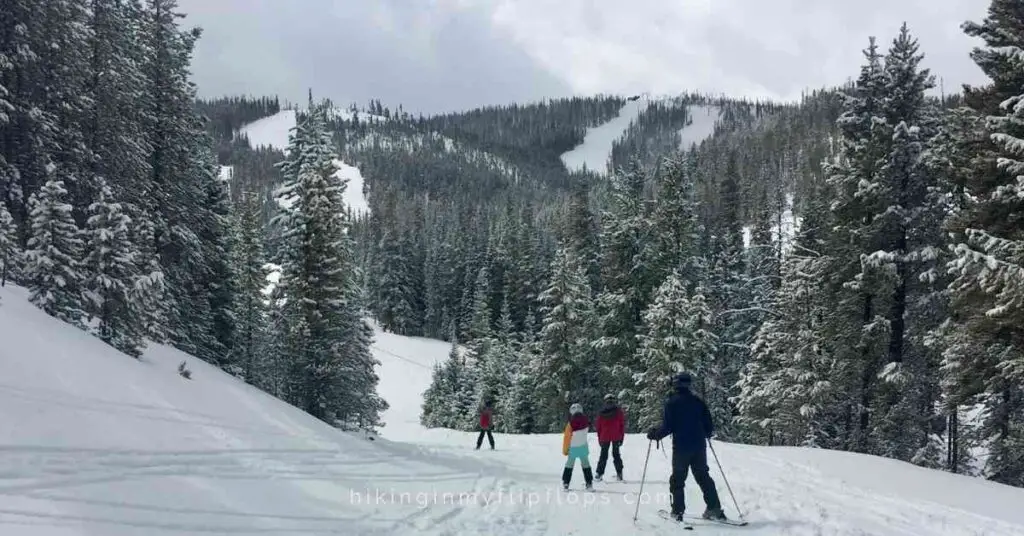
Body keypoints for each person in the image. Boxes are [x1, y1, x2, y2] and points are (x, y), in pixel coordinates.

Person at [646, 372, 727, 522]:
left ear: (675, 384)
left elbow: (668, 427)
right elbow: (708, 425)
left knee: (678, 479)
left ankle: (677, 512)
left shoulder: (672, 403)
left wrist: (655, 434)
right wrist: (705, 433)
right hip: (699, 446)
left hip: (681, 447)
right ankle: (714, 509)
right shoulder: (698, 401)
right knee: (703, 477)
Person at [561, 403, 594, 490]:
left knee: (569, 464)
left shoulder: (570, 424)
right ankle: (589, 483)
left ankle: (566, 483)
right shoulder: (586, 421)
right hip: (583, 447)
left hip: (573, 448)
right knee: (586, 464)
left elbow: (567, 438)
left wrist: (565, 450)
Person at [594, 393, 625, 481]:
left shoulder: (601, 412)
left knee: (603, 455)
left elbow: (598, 426)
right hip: (616, 436)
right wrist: (621, 437)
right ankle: (619, 473)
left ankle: (599, 474)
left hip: (604, 436)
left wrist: (599, 438)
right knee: (616, 455)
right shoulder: (618, 412)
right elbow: (622, 425)